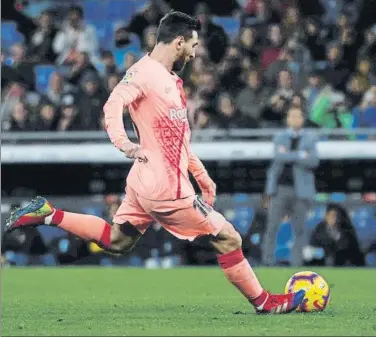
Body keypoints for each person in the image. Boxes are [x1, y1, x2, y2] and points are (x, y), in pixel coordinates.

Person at [5, 10, 304, 315]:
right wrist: (123, 143)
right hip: (165, 188)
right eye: (193, 44)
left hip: (145, 180)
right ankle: (266, 303)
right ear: (178, 42)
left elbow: (177, 140)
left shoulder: (170, 79)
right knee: (227, 237)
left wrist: (202, 175)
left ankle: (48, 214)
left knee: (117, 240)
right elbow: (113, 105)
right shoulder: (143, 74)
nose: (195, 51)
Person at [263, 107, 319, 266]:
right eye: (292, 116)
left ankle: (297, 263)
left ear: (303, 119)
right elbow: (279, 156)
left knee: (300, 229)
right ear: (287, 119)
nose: (295, 119)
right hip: (280, 189)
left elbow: (314, 161)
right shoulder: (279, 137)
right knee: (272, 226)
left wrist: (289, 155)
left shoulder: (310, 138)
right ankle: (267, 262)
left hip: (301, 190)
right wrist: (301, 155)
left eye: (298, 116)